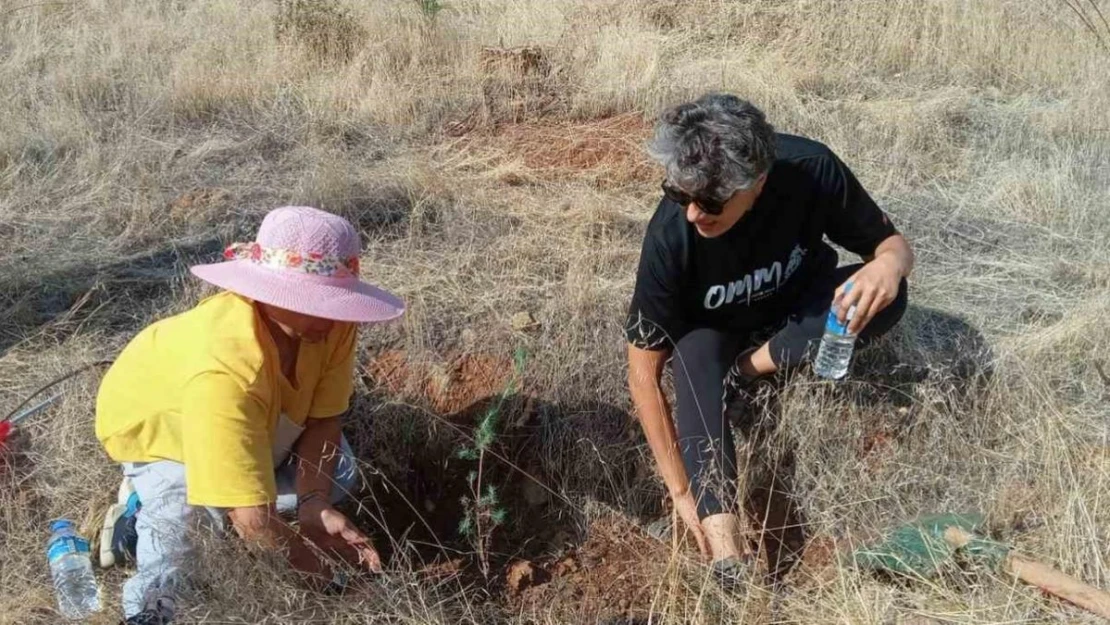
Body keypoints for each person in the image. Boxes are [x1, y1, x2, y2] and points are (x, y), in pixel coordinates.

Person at [625, 94, 914, 580]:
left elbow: (891, 246)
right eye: (681, 194)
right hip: (712, 330)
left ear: (757, 182)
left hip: (796, 305)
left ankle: (748, 370)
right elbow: (642, 370)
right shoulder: (670, 236)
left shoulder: (810, 169)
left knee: (890, 297)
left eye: (712, 201)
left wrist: (888, 265)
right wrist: (680, 491)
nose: (695, 213)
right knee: (693, 361)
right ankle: (727, 556)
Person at [94, 206, 405, 624]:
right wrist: (325, 575)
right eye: (317, 302)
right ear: (268, 293)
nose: (333, 317)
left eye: (337, 301)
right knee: (183, 525)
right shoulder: (224, 369)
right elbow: (255, 523)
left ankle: (222, 499)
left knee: (341, 472)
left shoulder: (329, 325)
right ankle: (143, 534)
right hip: (169, 434)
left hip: (262, 416)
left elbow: (323, 420)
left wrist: (315, 504)